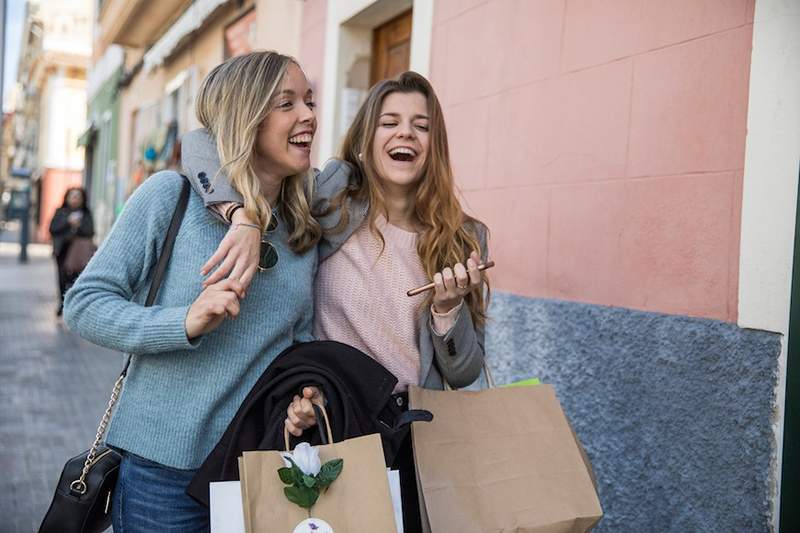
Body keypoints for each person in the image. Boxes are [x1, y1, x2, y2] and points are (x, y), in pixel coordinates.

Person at [188, 71, 490, 532]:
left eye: (421, 125)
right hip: (323, 424)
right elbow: (198, 144)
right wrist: (244, 219)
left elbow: (464, 372)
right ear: (367, 137)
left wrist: (447, 312)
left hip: (407, 441)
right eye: (389, 122)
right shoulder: (329, 199)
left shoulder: (464, 237)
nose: (405, 133)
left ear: (435, 143)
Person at [64, 51, 338, 532]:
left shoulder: (301, 228)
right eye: (287, 104)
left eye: (310, 102)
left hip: (256, 468)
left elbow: (294, 342)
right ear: (245, 116)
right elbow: (84, 305)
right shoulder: (171, 197)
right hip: (161, 474)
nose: (309, 116)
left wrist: (303, 395)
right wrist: (183, 322)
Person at [49, 187, 94, 316]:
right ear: (67, 198)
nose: (75, 199)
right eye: (72, 196)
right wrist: (68, 222)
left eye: (78, 196)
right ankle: (62, 303)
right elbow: (53, 228)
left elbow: (90, 231)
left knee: (76, 279)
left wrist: (78, 226)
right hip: (62, 250)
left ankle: (73, 304)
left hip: (79, 253)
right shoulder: (61, 212)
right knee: (62, 278)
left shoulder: (86, 213)